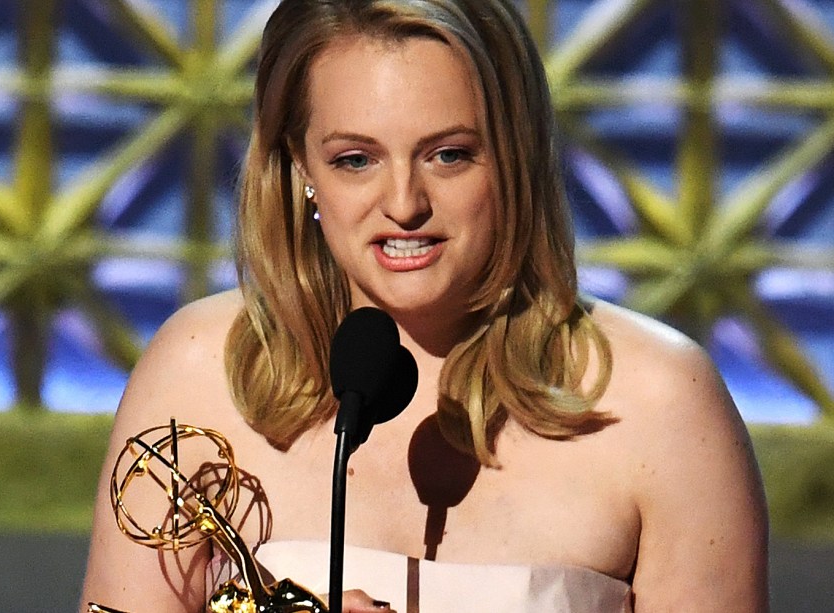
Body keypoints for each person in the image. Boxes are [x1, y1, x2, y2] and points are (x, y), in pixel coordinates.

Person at [80, 0, 769, 611]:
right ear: (299, 169)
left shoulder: (660, 403)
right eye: (356, 159)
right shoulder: (198, 371)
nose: (404, 203)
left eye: (448, 154)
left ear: (516, 156)